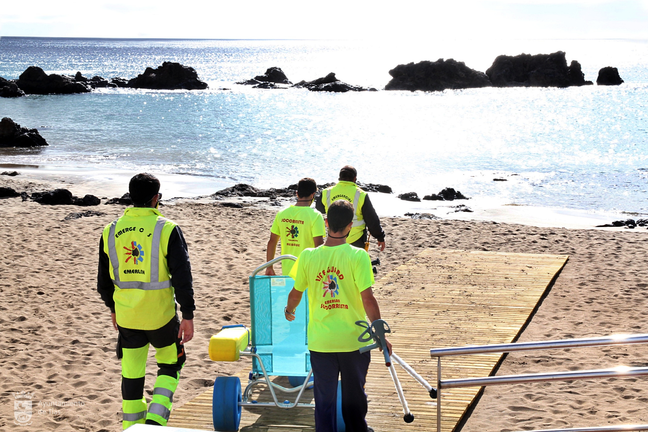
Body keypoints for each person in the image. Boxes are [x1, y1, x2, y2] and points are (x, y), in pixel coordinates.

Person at [97, 173, 195, 430]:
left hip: (127, 316)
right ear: (155, 198)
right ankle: (155, 420)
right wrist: (188, 315)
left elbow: (103, 282)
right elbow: (182, 276)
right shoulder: (167, 229)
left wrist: (113, 309)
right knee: (172, 363)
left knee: (131, 372)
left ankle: (132, 426)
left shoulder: (110, 230)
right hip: (160, 316)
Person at [285, 200, 391, 432]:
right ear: (350, 226)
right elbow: (368, 299)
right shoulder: (358, 256)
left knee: (324, 401)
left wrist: (289, 311)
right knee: (354, 399)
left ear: (326, 223)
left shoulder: (308, 256)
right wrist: (380, 331)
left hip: (321, 342)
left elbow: (295, 293)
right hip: (353, 341)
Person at [315, 165, 386, 251]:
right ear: (355, 179)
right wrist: (380, 236)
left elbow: (319, 208)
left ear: (339, 177)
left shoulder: (326, 192)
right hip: (355, 238)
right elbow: (371, 219)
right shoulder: (361, 194)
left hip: (333, 237)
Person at [265, 177, 325, 275]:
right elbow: (318, 246)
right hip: (308, 271)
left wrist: (269, 267)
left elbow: (272, 242)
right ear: (313, 195)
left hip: (288, 270)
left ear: (297, 193)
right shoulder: (315, 215)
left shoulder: (282, 213)